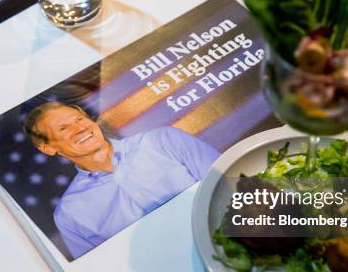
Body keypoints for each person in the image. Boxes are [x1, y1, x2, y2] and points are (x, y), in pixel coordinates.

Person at [23, 102, 220, 259]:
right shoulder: (70, 214)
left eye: (80, 119)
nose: (80, 128)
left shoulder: (165, 140)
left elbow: (230, 183)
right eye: (64, 128)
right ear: (48, 148)